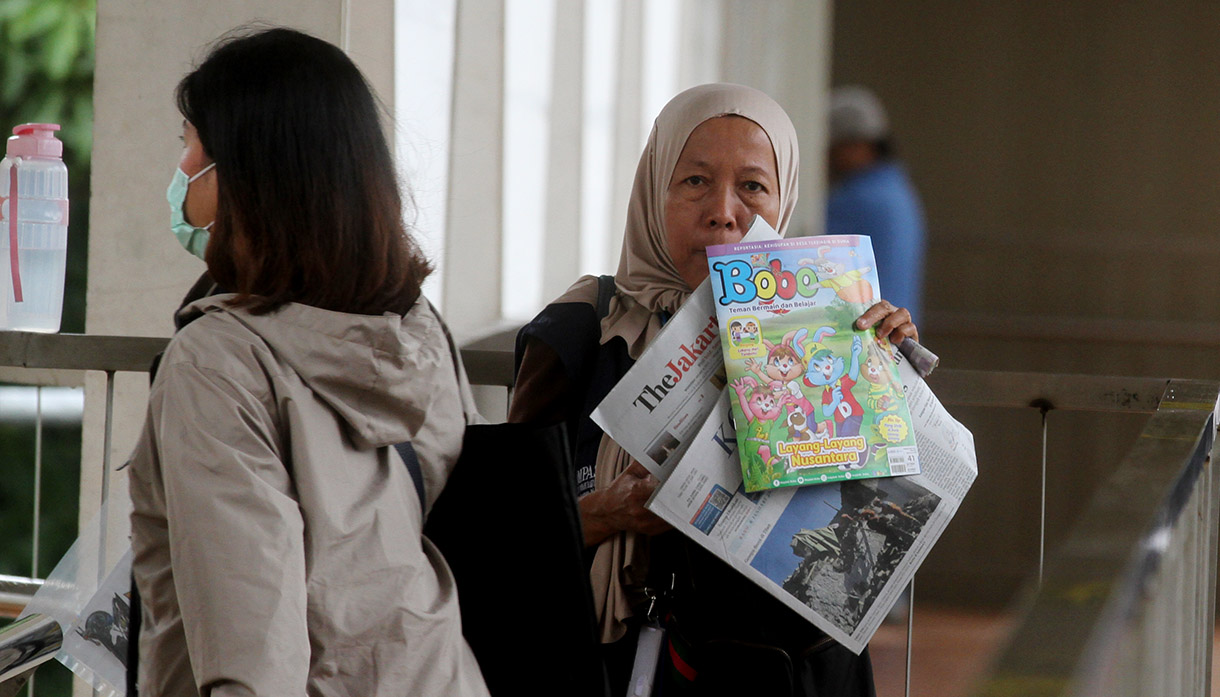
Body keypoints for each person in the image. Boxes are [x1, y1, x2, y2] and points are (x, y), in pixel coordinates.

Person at [510, 83, 918, 697]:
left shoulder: (829, 329)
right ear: (654, 192)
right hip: (616, 667)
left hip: (782, 670)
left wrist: (890, 377)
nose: (723, 211)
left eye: (753, 186)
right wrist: (605, 514)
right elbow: (510, 534)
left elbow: (872, 537)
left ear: (784, 203)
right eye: (695, 181)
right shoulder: (580, 333)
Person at [127, 28, 490, 696]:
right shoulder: (416, 333)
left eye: (188, 142)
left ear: (246, 171)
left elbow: (253, 655)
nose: (180, 170)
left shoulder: (216, 361)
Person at [826, 85, 927, 323]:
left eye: (834, 147)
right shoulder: (897, 189)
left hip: (868, 332)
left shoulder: (859, 199)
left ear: (857, 145)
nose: (828, 157)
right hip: (893, 332)